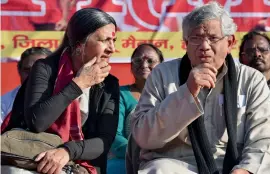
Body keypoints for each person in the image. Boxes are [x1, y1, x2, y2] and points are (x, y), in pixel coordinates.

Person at [130, 2, 270, 174]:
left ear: (230, 42)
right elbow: (144, 136)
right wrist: (187, 93)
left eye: (213, 38)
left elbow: (264, 138)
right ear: (185, 43)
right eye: (196, 38)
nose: (204, 46)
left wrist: (246, 169)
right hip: (176, 164)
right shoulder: (162, 74)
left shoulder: (252, 80)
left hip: (232, 166)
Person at [2, 8, 119, 174]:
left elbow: (104, 140)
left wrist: (67, 151)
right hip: (31, 156)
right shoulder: (45, 70)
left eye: (114, 40)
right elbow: (38, 122)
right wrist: (78, 84)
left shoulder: (109, 84)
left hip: (79, 163)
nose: (112, 48)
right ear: (80, 44)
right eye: (105, 40)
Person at [107, 43, 164, 174]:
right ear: (131, 67)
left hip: (163, 158)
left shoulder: (170, 96)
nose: (144, 65)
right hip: (124, 159)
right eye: (138, 61)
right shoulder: (119, 94)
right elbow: (115, 135)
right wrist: (138, 154)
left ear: (162, 66)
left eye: (150, 61)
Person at [1, 47, 52, 124]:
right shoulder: (3, 103)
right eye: (27, 70)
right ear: (19, 71)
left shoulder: (66, 100)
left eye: (41, 70)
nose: (33, 75)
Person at [239, 31, 270, 104]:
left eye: (263, 50)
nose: (257, 54)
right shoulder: (234, 88)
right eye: (250, 51)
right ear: (241, 58)